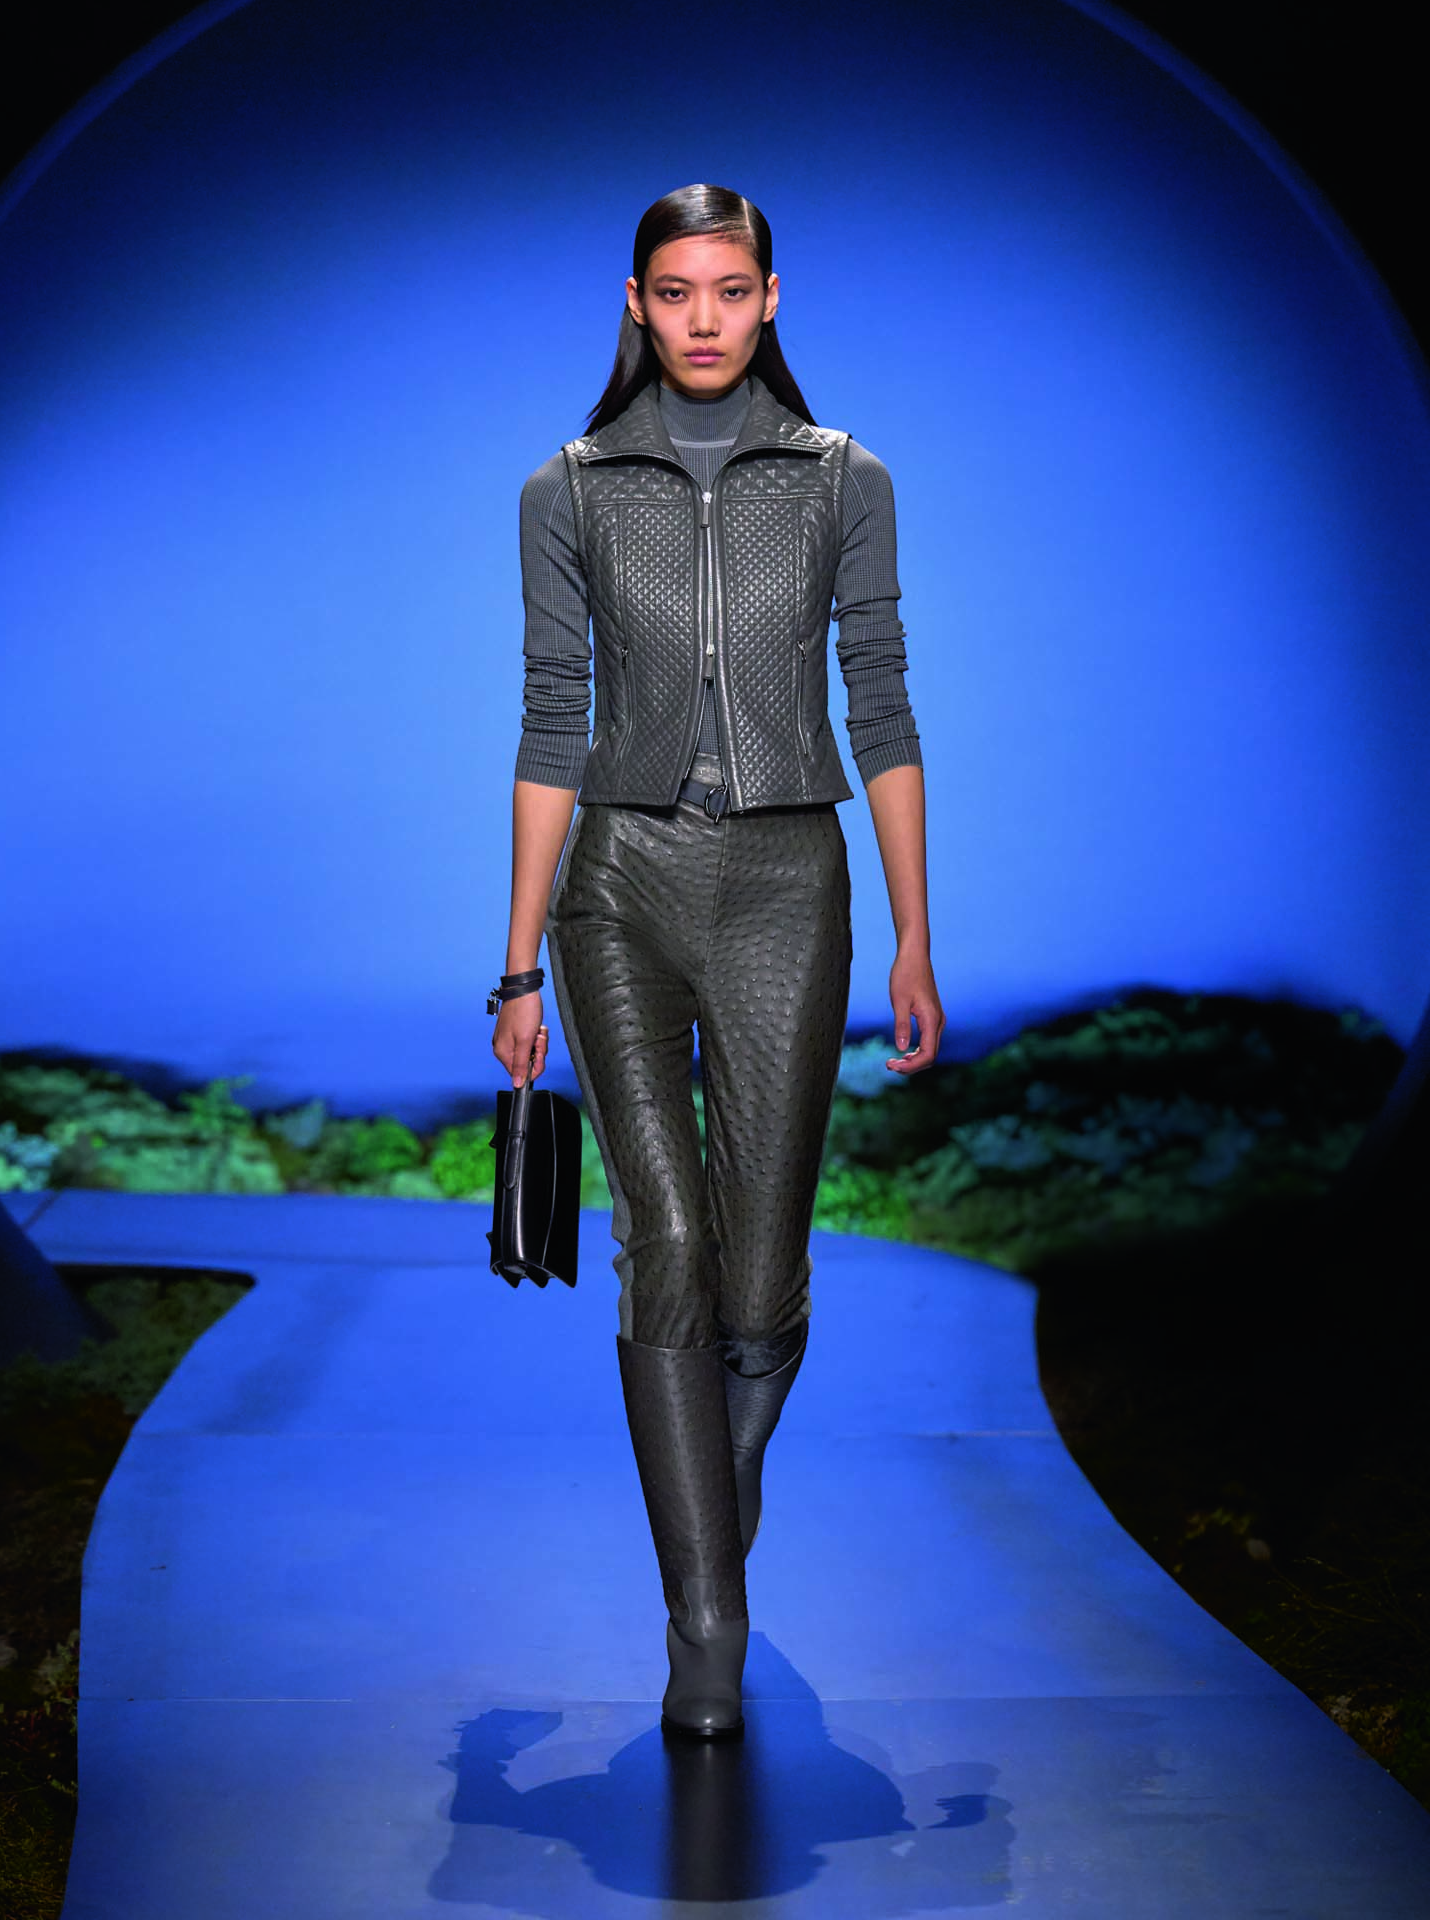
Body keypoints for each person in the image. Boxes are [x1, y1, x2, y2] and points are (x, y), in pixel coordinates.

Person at [490, 183, 944, 1741]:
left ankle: (717, 1493)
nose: (702, 317)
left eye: (729, 290)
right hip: (618, 884)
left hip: (786, 888)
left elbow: (882, 701)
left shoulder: (843, 480)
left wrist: (915, 938)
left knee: (760, 1272)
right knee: (667, 1240)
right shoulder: (566, 489)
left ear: (769, 298)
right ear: (634, 302)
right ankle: (707, 1619)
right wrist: (517, 968)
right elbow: (550, 721)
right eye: (674, 291)